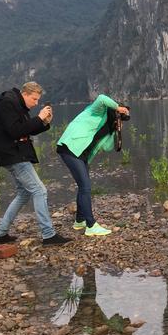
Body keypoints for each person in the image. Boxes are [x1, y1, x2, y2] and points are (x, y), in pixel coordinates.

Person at [0, 81, 72, 246]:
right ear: (25, 94)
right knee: (39, 191)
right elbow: (15, 131)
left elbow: (26, 129)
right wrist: (38, 117)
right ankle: (48, 235)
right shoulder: (8, 104)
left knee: (24, 193)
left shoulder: (17, 104)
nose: (35, 103)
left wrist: (44, 122)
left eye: (37, 100)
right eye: (34, 99)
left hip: (14, 154)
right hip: (13, 154)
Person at [56, 94, 129, 236]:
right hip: (70, 148)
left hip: (81, 154)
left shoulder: (109, 126)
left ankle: (80, 220)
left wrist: (116, 130)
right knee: (85, 187)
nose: (121, 121)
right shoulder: (97, 111)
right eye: (121, 118)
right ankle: (91, 225)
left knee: (83, 186)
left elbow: (107, 147)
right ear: (115, 112)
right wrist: (118, 107)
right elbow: (102, 97)